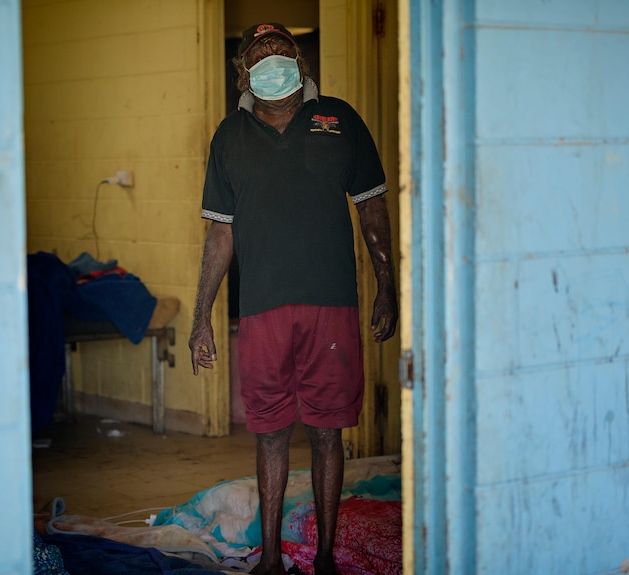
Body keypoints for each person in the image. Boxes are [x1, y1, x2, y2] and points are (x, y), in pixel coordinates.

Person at [189, 23, 398, 575]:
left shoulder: (340, 119)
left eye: (281, 50)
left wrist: (388, 285)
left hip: (331, 303)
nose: (272, 60)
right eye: (259, 54)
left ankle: (326, 559)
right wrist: (201, 317)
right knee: (271, 433)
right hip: (261, 308)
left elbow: (372, 209)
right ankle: (273, 562)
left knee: (328, 432)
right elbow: (219, 233)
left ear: (300, 62)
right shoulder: (228, 136)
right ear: (243, 74)